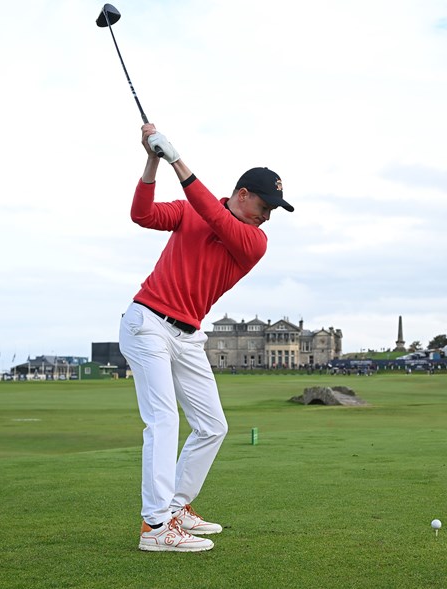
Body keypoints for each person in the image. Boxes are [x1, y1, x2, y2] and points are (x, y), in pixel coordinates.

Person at [118, 123, 293, 552]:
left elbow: (214, 216)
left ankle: (176, 507)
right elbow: (142, 215)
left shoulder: (253, 241)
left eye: (273, 209)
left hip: (188, 336)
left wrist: (178, 158)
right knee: (163, 421)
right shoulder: (190, 210)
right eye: (264, 205)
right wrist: (153, 161)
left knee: (213, 426)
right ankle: (156, 528)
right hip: (148, 324)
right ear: (242, 193)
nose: (268, 216)